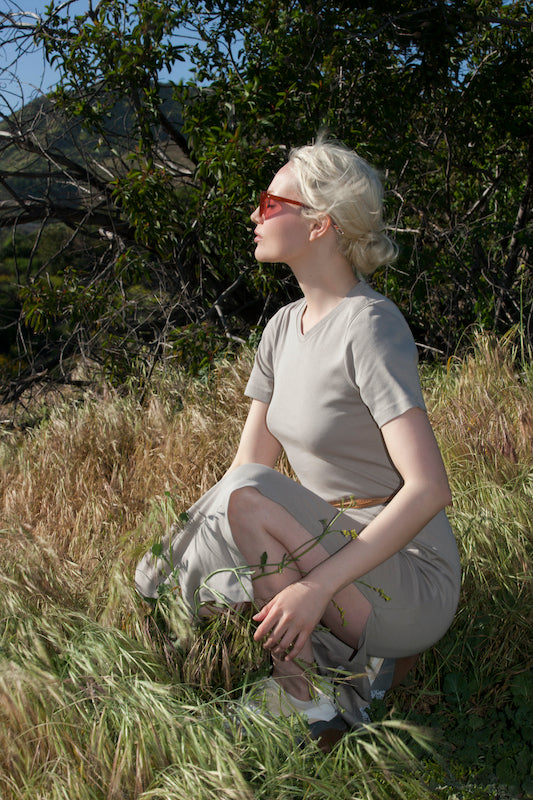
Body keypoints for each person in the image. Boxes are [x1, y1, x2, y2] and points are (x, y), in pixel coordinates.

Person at [135, 138, 461, 737]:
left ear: (319, 225)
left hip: (407, 571)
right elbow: (246, 469)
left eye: (269, 201)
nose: (254, 214)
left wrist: (314, 588)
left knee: (223, 520)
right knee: (228, 515)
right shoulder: (283, 327)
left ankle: (312, 701)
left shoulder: (370, 324)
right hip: (331, 552)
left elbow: (429, 489)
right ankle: (360, 673)